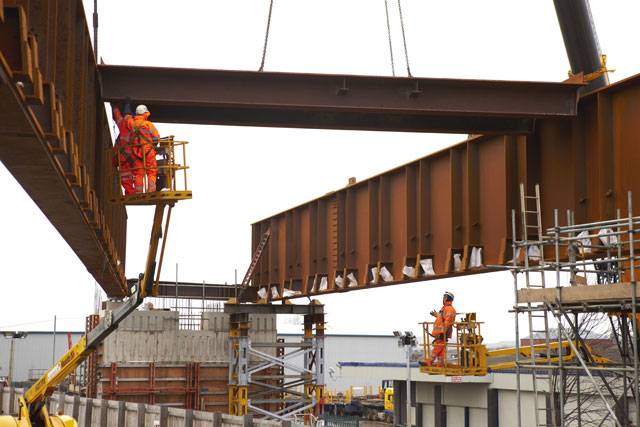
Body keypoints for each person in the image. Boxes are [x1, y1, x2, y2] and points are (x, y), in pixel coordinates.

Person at [111, 103, 143, 194]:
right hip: (134, 156)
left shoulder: (122, 123)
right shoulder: (136, 125)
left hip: (124, 156)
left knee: (125, 177)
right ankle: (137, 192)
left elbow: (117, 117)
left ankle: (130, 192)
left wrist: (115, 106)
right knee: (136, 174)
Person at [131, 105, 160, 192]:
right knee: (151, 171)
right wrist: (155, 144)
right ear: (145, 113)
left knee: (138, 173)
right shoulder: (148, 124)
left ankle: (138, 192)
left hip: (136, 152)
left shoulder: (132, 124)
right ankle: (151, 191)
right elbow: (156, 137)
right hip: (148, 151)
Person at [426, 291, 457, 367]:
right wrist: (436, 315)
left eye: (444, 297)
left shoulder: (450, 309)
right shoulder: (445, 308)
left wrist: (442, 332)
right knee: (441, 350)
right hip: (440, 333)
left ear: (447, 298)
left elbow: (447, 321)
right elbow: (442, 318)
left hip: (442, 333)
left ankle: (429, 362)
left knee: (437, 348)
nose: (443, 298)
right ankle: (440, 364)